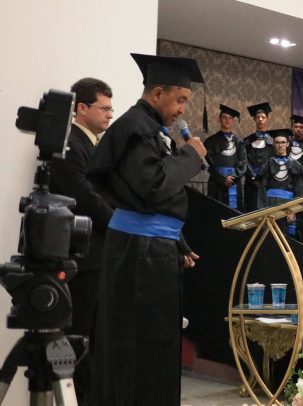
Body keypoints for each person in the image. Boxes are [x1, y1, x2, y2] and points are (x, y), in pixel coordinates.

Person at [88, 53, 206, 405]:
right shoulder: (136, 128)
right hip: (139, 254)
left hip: (151, 248)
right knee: (138, 345)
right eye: (180, 99)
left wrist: (178, 243)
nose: (182, 110)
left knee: (157, 343)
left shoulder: (148, 128)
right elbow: (153, 186)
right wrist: (191, 155)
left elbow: (147, 202)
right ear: (157, 94)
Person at [47, 77, 115, 404]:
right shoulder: (69, 145)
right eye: (104, 108)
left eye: (112, 108)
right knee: (78, 339)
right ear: (82, 108)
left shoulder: (97, 146)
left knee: (96, 340)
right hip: (81, 259)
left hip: (99, 257)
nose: (110, 114)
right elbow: (86, 198)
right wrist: (120, 223)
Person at [256, 129, 303, 236]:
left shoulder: (296, 165)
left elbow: (298, 190)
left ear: (287, 144)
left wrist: (294, 211)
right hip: (270, 205)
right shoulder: (268, 164)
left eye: (283, 142)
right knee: (268, 236)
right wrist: (263, 211)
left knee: (286, 237)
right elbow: (262, 189)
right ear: (274, 144)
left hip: (287, 207)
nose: (280, 145)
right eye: (277, 142)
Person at [204, 104, 247, 211]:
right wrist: (223, 179)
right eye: (224, 117)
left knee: (234, 213)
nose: (227, 120)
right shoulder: (210, 141)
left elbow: (243, 163)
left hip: (233, 182)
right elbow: (208, 163)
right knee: (215, 211)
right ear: (219, 119)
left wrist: (232, 177)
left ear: (233, 121)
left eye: (230, 118)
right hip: (216, 182)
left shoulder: (239, 142)